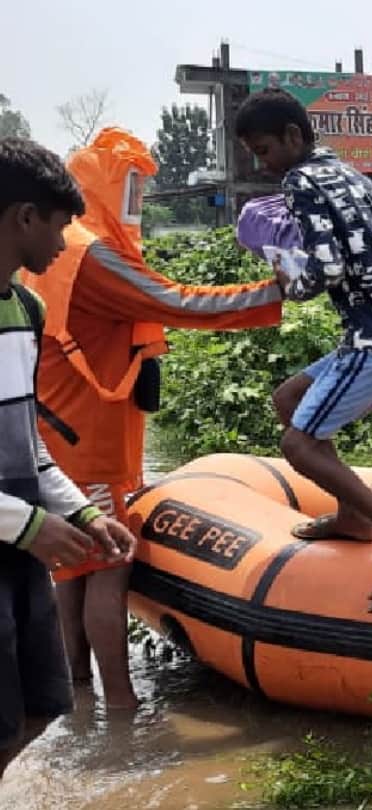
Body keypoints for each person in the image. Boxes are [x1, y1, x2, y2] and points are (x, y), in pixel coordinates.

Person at [22, 128, 284, 710]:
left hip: (61, 433)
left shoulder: (57, 253)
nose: (136, 205)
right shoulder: (88, 256)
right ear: (100, 187)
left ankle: (77, 695)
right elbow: (177, 301)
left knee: (72, 569)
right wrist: (280, 292)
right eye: (129, 189)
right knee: (110, 563)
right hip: (88, 442)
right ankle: (121, 707)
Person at [234, 89, 372, 613]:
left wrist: (282, 273)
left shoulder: (300, 180)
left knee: (298, 445)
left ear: (293, 137)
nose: (264, 163)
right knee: (289, 399)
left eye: (264, 150)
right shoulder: (351, 174)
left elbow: (323, 271)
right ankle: (354, 519)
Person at [0, 138, 137, 777]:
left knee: (36, 711)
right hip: (19, 535)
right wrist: (30, 526)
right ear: (24, 218)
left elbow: (30, 448)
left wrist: (82, 516)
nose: (63, 244)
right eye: (59, 226)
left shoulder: (26, 310)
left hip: (21, 549)